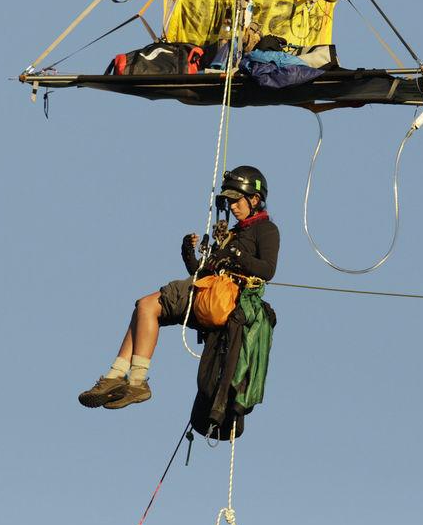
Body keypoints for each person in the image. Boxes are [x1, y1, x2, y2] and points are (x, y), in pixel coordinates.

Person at [78, 166, 280, 410]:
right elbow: (200, 272)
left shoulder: (265, 230)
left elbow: (268, 270)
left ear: (255, 199)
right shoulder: (233, 233)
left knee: (146, 305)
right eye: (230, 202)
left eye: (237, 201)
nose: (233, 207)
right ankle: (116, 375)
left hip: (223, 298)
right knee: (141, 310)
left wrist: (235, 255)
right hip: (207, 292)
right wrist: (188, 252)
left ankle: (136, 381)